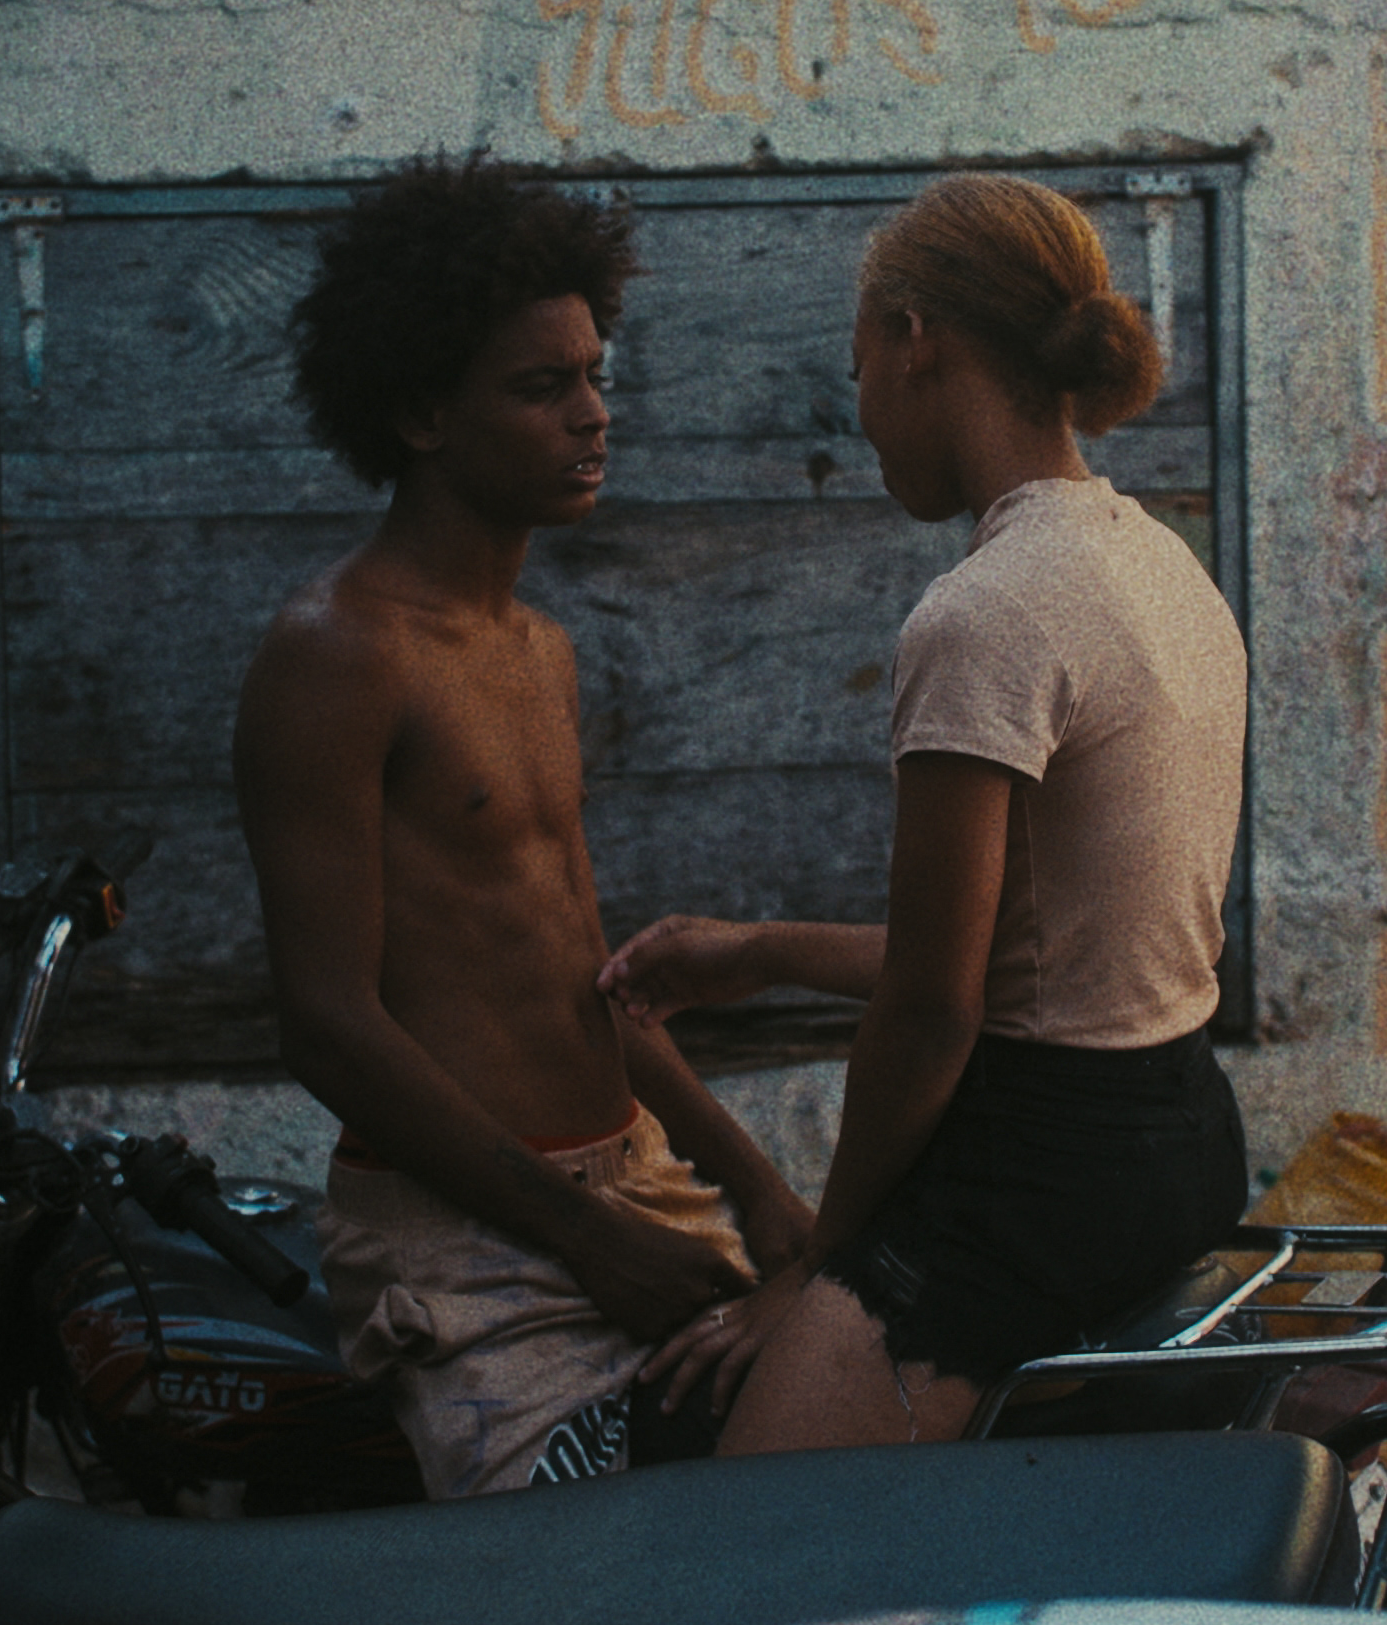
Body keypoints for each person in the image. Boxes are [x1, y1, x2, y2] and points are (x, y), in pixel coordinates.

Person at [599, 172, 1250, 1452]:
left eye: (857, 372)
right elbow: (1043, 961)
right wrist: (761, 953)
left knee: (747, 1521)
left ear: (913, 339)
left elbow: (937, 1009)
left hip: (1040, 1175)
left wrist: (816, 1262)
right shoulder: (1158, 563)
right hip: (1178, 1131)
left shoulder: (985, 612)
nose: (860, 419)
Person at [232, 156, 813, 1496]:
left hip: (634, 1187)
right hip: (468, 1242)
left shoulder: (539, 650)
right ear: (422, 412)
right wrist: (587, 1240)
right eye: (542, 387)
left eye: (596, 376)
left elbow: (586, 978)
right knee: (601, 1572)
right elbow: (327, 1023)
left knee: (815, 1479)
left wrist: (752, 1182)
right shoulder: (338, 653)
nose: (593, 416)